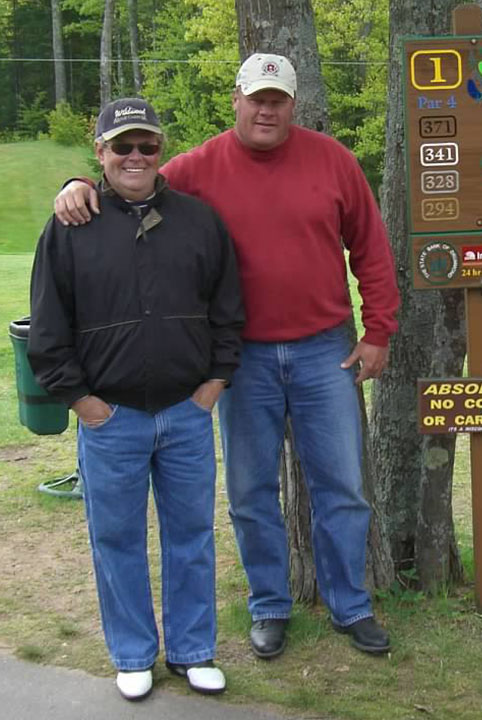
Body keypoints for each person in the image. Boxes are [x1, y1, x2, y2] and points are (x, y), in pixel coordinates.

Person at [54, 54, 400, 658]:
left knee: (341, 486)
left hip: (326, 351)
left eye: (279, 100)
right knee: (249, 491)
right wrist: (76, 185)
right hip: (243, 361)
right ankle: (269, 604)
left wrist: (379, 330)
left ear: (294, 105)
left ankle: (350, 603)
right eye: (257, 98)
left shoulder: (334, 161)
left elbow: (370, 246)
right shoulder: (198, 168)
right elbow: (131, 184)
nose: (267, 110)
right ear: (237, 98)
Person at [29, 98, 245, 700]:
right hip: (110, 419)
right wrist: (81, 402)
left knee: (191, 536)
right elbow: (48, 328)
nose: (135, 156)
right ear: (99, 153)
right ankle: (131, 654)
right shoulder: (71, 226)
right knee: (117, 539)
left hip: (185, 411)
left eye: (146, 145)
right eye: (121, 146)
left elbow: (228, 312)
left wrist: (213, 385)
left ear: (161, 152)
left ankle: (193, 650)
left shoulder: (199, 222)